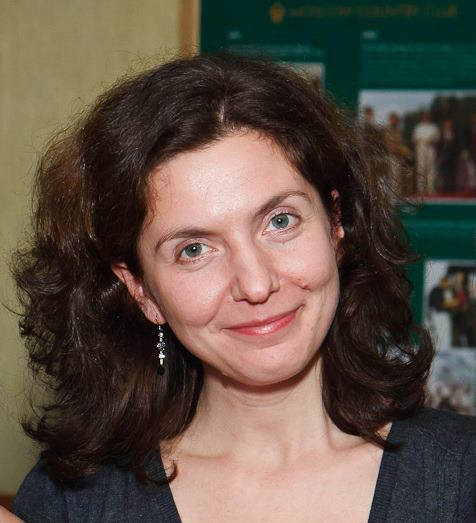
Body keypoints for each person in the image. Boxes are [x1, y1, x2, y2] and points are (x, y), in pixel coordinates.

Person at [11, 54, 476, 522]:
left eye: (280, 221)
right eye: (194, 249)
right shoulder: (73, 504)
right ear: (141, 291)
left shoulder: (461, 478)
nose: (255, 284)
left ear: (336, 226)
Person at [412, 111, 440, 195]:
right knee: (421, 168)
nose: (426, 118)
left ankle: (431, 188)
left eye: (427, 117)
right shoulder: (418, 127)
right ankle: (421, 189)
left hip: (430, 148)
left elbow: (437, 138)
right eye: (424, 117)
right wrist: (419, 141)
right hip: (421, 148)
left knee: (431, 168)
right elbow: (414, 139)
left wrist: (432, 140)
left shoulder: (434, 127)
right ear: (422, 118)